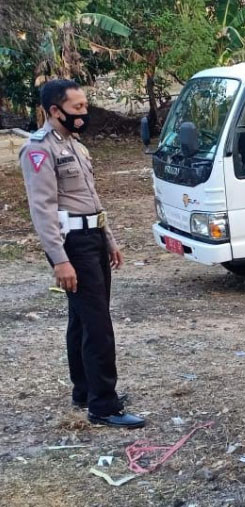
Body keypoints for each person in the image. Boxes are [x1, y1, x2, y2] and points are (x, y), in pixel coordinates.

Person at [19, 79, 145, 428]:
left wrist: (110, 239)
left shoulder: (75, 145)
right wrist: (59, 259)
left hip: (92, 238)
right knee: (98, 324)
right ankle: (104, 404)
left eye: (84, 106)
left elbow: (91, 199)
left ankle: (85, 390)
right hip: (71, 244)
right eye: (77, 108)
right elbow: (42, 209)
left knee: (83, 318)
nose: (84, 114)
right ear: (53, 111)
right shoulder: (39, 150)